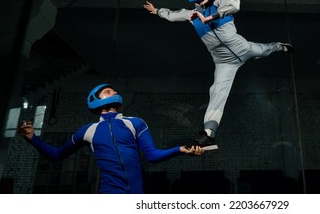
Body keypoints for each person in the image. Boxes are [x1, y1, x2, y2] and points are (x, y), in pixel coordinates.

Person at [143, 0, 294, 151]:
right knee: (217, 92)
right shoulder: (191, 15)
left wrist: (210, 17)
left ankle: (280, 46)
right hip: (224, 62)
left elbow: (235, 4)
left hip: (243, 48)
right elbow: (172, 15)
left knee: (263, 49)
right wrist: (157, 11)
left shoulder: (220, 1)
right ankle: (208, 134)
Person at [18, 83, 204, 194]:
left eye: (114, 91)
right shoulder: (88, 130)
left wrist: (180, 149)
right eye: (108, 91)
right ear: (95, 99)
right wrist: (32, 138)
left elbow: (153, 156)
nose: (114, 92)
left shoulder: (136, 123)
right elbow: (57, 155)